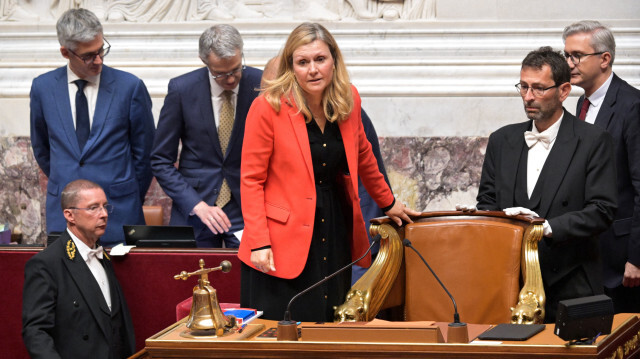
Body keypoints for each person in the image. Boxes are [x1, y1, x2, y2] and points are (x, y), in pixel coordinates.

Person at [239, 22, 419, 322]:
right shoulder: (267, 107)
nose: (313, 70)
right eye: (303, 62)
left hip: (333, 227)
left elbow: (364, 156)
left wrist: (389, 203)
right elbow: (251, 180)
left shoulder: (348, 99)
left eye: (320, 60)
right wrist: (259, 241)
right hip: (280, 240)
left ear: (334, 61)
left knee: (327, 322)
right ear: (291, 67)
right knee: (284, 330)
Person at [476, 46, 617, 323]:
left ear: (564, 91)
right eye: (524, 87)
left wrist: (547, 228)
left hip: (573, 283)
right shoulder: (501, 140)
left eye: (539, 89)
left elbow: (602, 210)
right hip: (511, 285)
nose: (528, 97)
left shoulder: (593, 140)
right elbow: (487, 203)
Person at [260, 54, 392, 284]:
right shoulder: (274, 114)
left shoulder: (343, 110)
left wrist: (367, 242)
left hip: (348, 231)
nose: (272, 100)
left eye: (277, 91)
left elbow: (367, 174)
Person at [30, 8, 155, 247]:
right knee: (66, 283)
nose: (98, 60)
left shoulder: (130, 87)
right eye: (88, 56)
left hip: (118, 213)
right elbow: (42, 147)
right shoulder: (43, 88)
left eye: (101, 50)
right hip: (65, 216)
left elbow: (145, 153)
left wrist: (124, 193)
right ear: (65, 52)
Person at [151, 24, 262, 248]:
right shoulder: (182, 89)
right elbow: (160, 160)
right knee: (188, 279)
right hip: (195, 208)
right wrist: (196, 205)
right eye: (220, 73)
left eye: (236, 69)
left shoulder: (262, 85)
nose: (230, 79)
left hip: (246, 208)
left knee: (247, 280)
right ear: (204, 61)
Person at [563, 20, 640, 313]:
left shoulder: (632, 106)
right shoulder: (580, 106)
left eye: (577, 56)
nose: (569, 63)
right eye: (567, 55)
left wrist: (637, 257)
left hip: (622, 261)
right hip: (587, 257)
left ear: (604, 59)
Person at [22, 179, 135, 359]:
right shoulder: (46, 264)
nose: (104, 214)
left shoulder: (103, 256)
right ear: (69, 215)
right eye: (93, 208)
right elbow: (36, 332)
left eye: (105, 206)